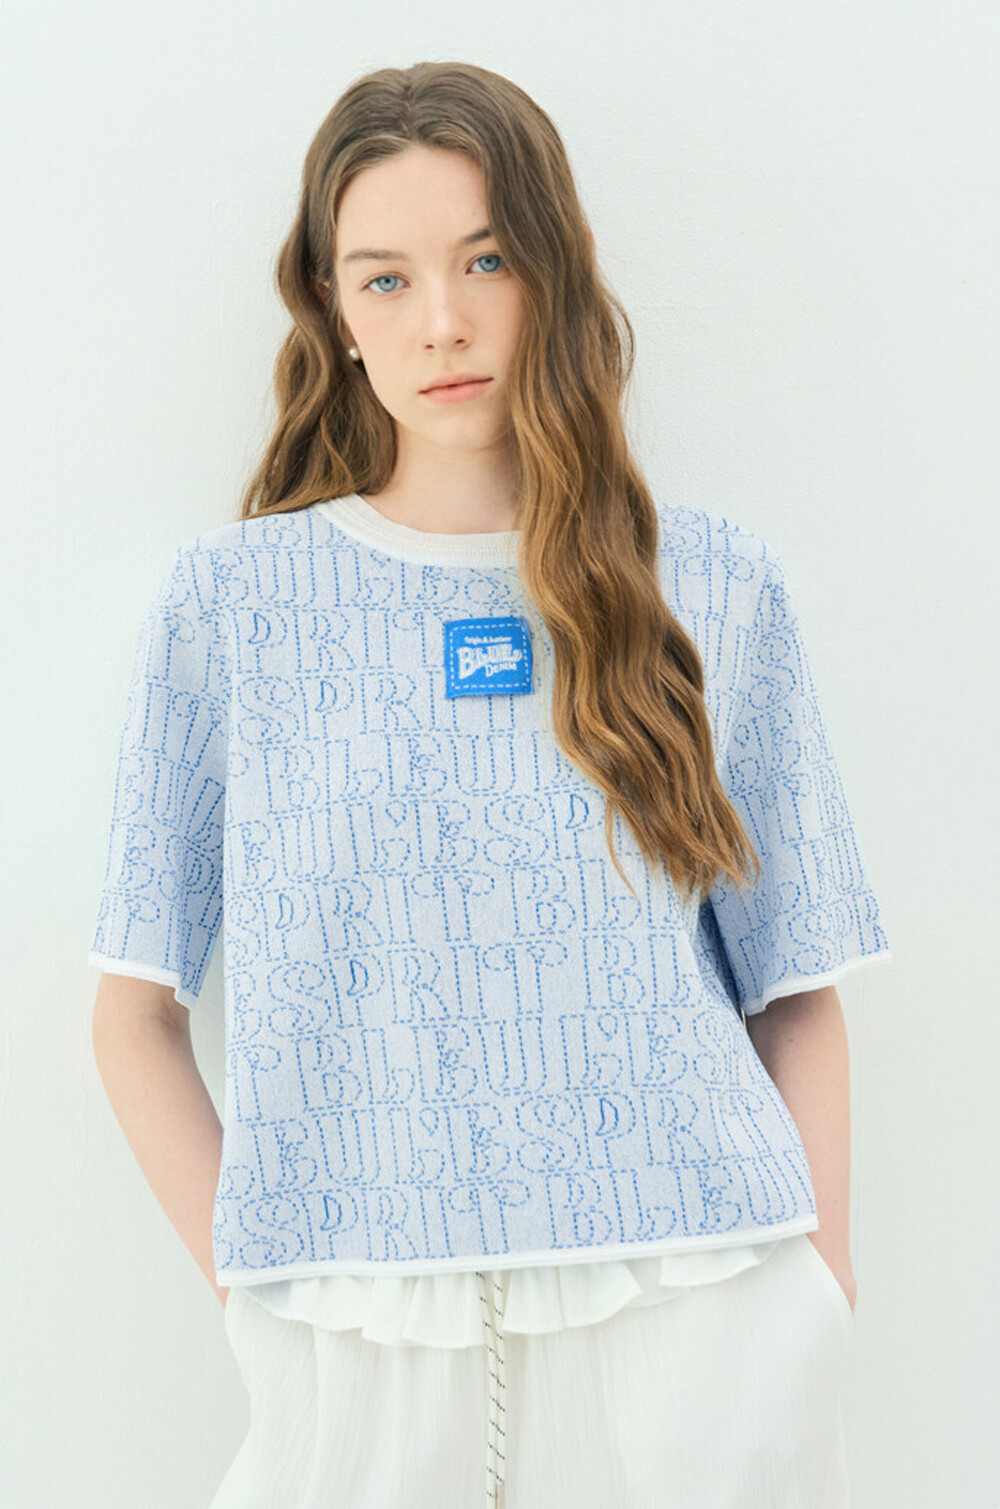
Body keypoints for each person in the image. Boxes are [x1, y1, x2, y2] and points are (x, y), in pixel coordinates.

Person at [88, 60, 893, 1509]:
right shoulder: (233, 609)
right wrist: (262, 1294)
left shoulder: (712, 586)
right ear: (334, 311)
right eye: (385, 279)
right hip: (356, 1340)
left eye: (485, 260)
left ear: (552, 270)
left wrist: (820, 1294)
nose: (443, 321)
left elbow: (798, 982)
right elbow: (132, 1012)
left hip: (706, 1313)